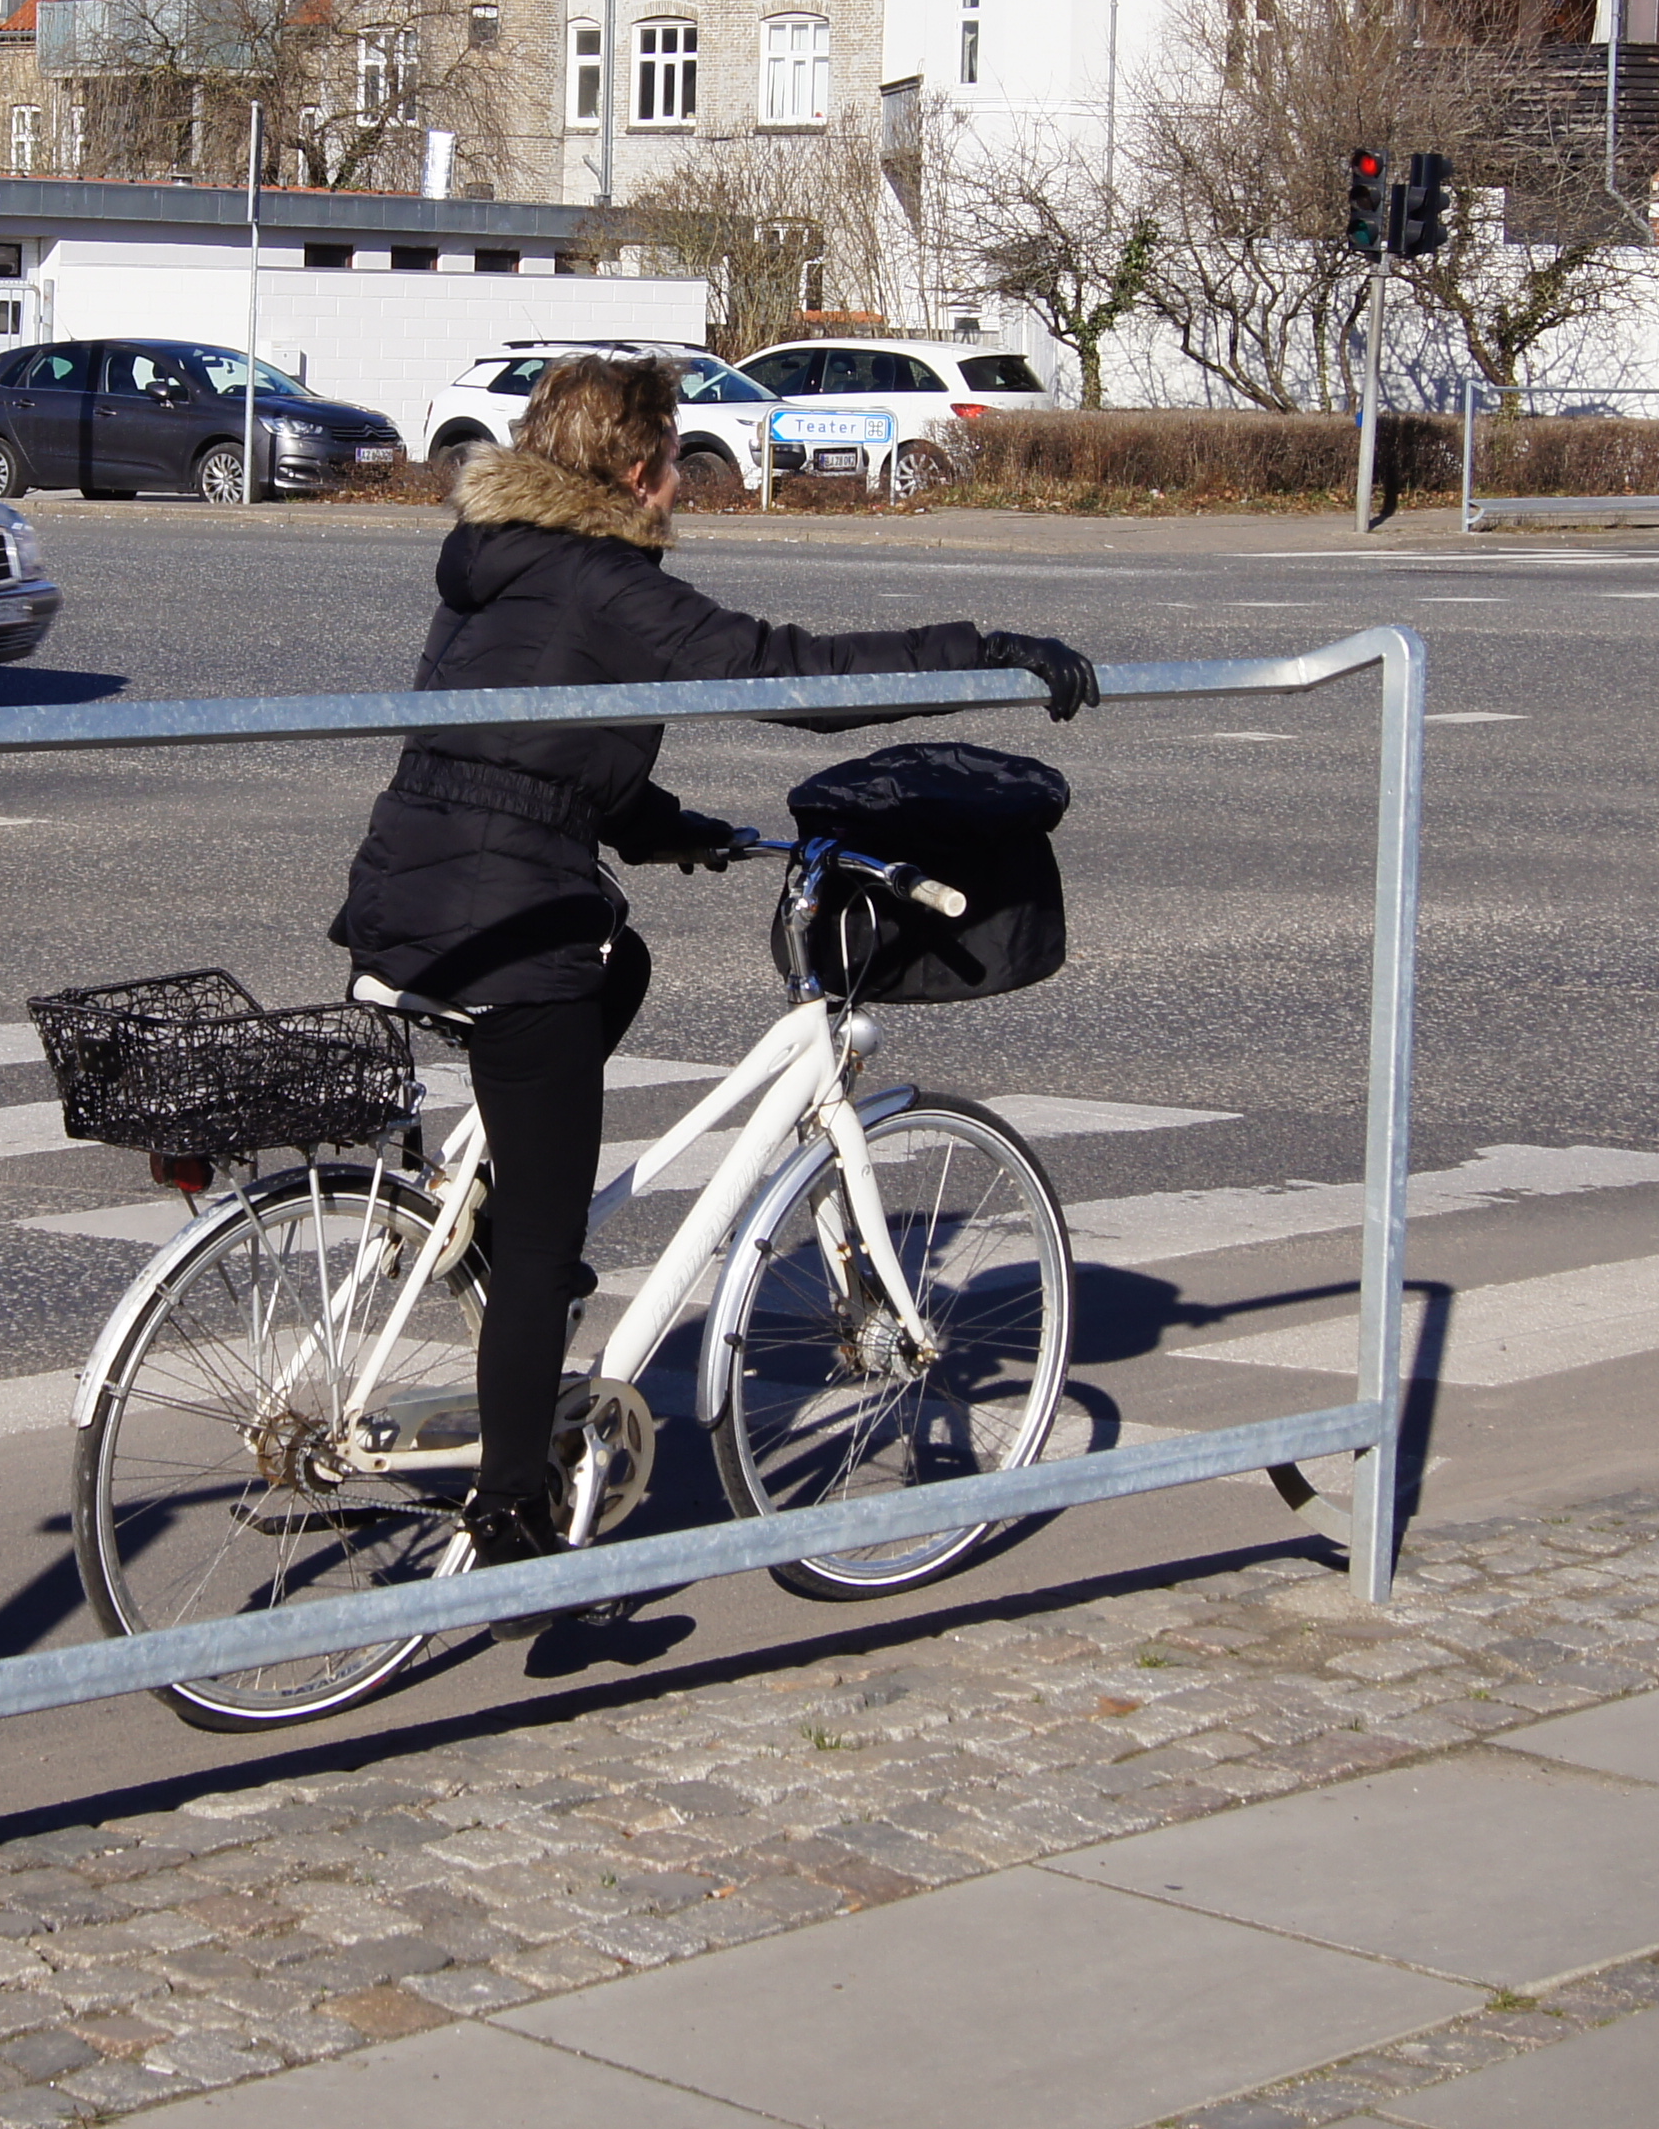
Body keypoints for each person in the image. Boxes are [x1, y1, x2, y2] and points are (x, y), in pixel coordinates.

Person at [328, 352, 1094, 1581]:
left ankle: (482, 1222)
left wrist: (657, 824)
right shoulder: (601, 572)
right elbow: (782, 668)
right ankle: (513, 1521)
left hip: (411, 894)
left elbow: (520, 734)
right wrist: (983, 655)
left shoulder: (491, 565)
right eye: (675, 455)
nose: (678, 481)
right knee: (541, 1254)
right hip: (511, 920)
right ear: (640, 466)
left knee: (616, 959)